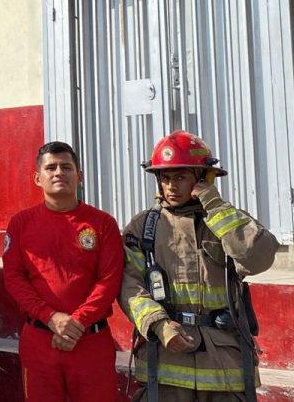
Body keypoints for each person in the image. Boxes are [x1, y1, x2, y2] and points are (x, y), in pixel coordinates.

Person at [120, 130, 279, 402]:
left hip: (224, 365)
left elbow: (257, 258)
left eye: (180, 177)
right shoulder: (143, 227)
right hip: (165, 360)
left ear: (203, 178)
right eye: (166, 178)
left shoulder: (226, 219)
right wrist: (159, 325)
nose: (171, 186)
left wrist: (214, 206)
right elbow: (129, 286)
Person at [2, 141, 124, 402]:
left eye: (66, 167)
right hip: (39, 341)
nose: (59, 173)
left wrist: (76, 323)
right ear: (37, 177)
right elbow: (14, 278)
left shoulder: (103, 223)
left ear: (78, 175)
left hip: (91, 342)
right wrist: (51, 318)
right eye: (51, 167)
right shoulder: (20, 223)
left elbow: (109, 280)